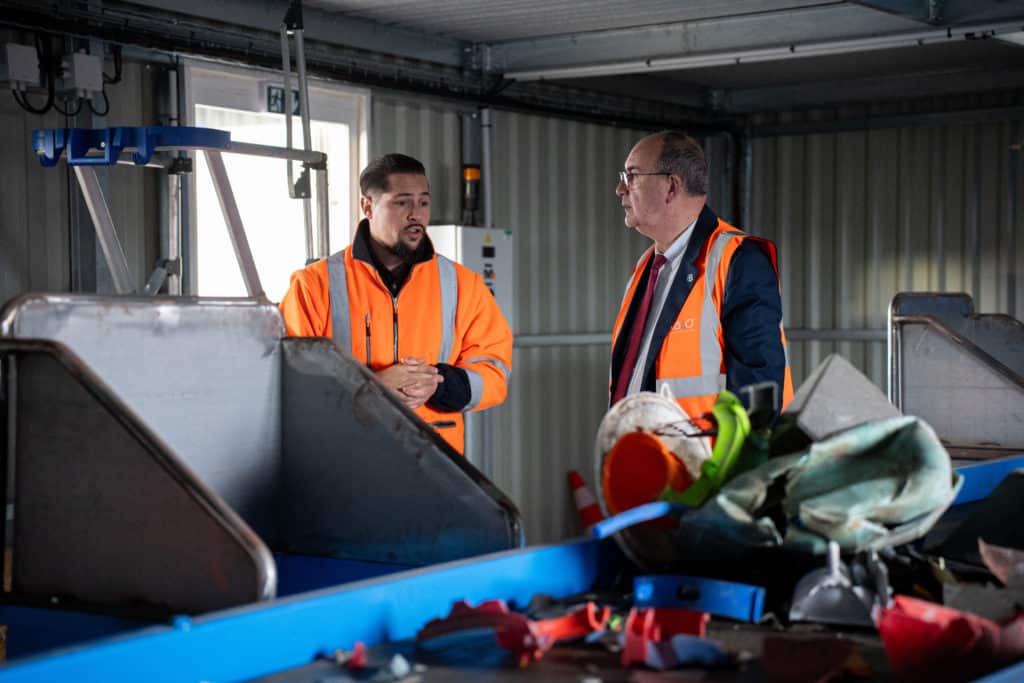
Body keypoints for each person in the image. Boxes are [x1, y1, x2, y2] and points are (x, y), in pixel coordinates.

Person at [279, 153, 512, 454]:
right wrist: (370, 388)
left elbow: (495, 371)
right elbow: (291, 384)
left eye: (423, 202)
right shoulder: (314, 285)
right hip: (343, 461)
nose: (416, 215)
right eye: (402, 202)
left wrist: (438, 383)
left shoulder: (463, 285)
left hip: (436, 466)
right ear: (367, 206)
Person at [610, 130, 793, 420]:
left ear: (671, 186)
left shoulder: (738, 259)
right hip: (649, 456)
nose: (621, 189)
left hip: (706, 461)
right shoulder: (647, 266)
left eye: (631, 176)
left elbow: (759, 389)